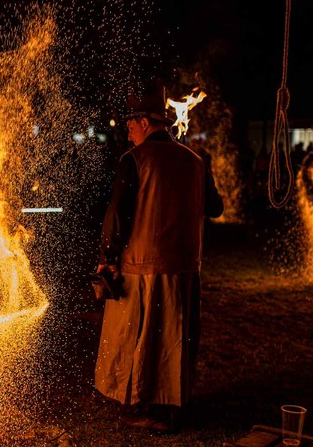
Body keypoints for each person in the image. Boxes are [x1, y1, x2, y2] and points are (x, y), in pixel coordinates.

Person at [94, 91, 223, 434]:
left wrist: (108, 258)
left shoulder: (135, 158)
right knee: (173, 340)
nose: (127, 132)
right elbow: (216, 208)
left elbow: (117, 213)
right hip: (184, 269)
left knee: (140, 338)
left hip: (142, 267)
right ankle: (168, 406)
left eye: (130, 125)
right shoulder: (195, 161)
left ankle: (138, 406)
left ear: (145, 123)